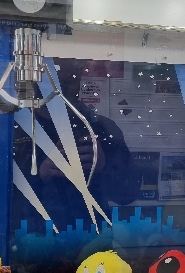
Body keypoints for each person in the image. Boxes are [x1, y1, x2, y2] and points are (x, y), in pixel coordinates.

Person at [13, 57, 141, 235]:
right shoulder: (16, 130)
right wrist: (40, 173)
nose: (59, 90)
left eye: (67, 82)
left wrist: (104, 165)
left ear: (79, 82)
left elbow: (128, 193)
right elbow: (3, 201)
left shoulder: (101, 129)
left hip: (93, 238)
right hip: (35, 240)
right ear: (33, 83)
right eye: (50, 82)